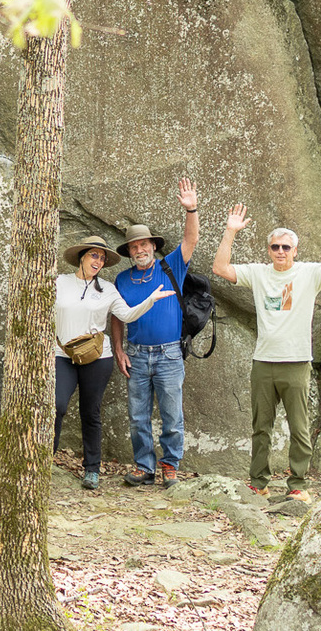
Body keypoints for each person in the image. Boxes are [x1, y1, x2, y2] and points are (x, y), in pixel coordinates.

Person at [212, 199, 321, 501]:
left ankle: (298, 485)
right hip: (264, 362)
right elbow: (220, 268)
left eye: (286, 248)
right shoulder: (259, 274)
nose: (280, 252)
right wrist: (230, 232)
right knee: (261, 427)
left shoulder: (309, 273)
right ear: (269, 250)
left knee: (299, 429)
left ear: (295, 251)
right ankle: (258, 482)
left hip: (297, 362)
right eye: (275, 247)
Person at [54, 235, 173, 489]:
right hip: (62, 355)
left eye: (102, 257)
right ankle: (43, 460)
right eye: (94, 255)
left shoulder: (107, 289)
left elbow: (127, 315)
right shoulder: (60, 283)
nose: (98, 261)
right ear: (82, 257)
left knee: (91, 412)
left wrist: (150, 300)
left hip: (97, 358)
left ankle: (92, 470)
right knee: (57, 405)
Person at [113, 178, 203, 487]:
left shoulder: (171, 266)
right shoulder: (122, 280)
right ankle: (143, 466)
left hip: (169, 354)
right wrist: (118, 349)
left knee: (171, 415)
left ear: (153, 246)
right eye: (134, 246)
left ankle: (170, 465)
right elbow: (117, 317)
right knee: (138, 416)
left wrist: (191, 209)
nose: (139, 249)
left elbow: (191, 240)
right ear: (129, 252)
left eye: (144, 244)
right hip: (136, 355)